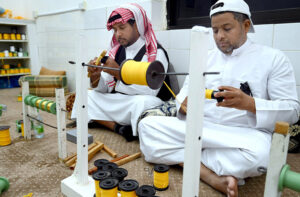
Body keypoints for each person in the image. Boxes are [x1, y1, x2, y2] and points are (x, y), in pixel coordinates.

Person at [138, 0, 300, 196]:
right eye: (215, 30)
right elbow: (183, 96)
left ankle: (186, 158)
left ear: (246, 25)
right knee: (147, 126)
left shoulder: (273, 59)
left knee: (262, 157)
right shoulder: (204, 58)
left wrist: (250, 104)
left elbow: (292, 110)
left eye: (227, 28)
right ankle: (209, 175)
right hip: (201, 129)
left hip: (243, 136)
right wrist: (183, 105)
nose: (220, 36)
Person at [71, 3, 169, 142]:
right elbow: (105, 88)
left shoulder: (155, 53)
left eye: (122, 28)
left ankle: (106, 123)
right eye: (115, 30)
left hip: (141, 101)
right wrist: (96, 77)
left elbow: (150, 91)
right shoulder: (116, 51)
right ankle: (117, 127)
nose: (118, 34)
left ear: (137, 26)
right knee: (86, 95)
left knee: (144, 103)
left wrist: (117, 72)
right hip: (121, 102)